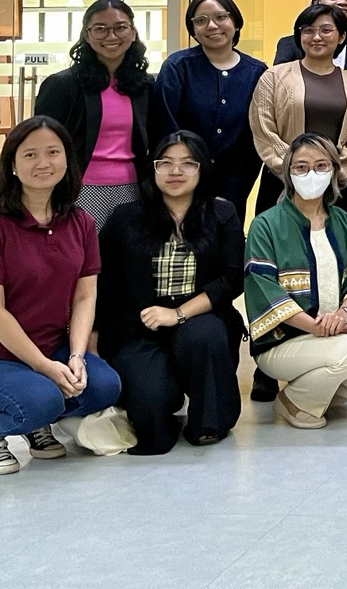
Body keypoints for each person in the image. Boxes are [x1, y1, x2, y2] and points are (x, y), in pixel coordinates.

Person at [0, 118, 122, 474]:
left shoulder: (81, 223)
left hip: (50, 347)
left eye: (53, 152)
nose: (43, 163)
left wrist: (76, 355)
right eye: (30, 154)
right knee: (43, 398)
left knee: (104, 386)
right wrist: (44, 367)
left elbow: (85, 297)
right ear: (12, 165)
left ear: (67, 160)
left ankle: (35, 418)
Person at [96, 132, 244, 453]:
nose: (175, 171)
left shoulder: (222, 214)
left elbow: (231, 280)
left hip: (199, 317)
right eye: (165, 163)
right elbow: (102, 282)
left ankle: (208, 422)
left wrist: (178, 314)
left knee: (204, 336)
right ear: (153, 168)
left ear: (202, 169)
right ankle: (163, 401)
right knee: (151, 421)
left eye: (187, 164)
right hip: (138, 327)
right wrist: (93, 342)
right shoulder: (125, 218)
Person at [244, 134, 347, 428]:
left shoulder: (343, 222)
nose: (311, 174)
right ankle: (301, 405)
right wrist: (315, 327)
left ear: (334, 171)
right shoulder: (266, 224)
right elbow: (263, 288)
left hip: (335, 335)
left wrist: (342, 314)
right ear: (288, 173)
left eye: (321, 165)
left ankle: (296, 398)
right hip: (281, 343)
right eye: (301, 167)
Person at [34, 0, 155, 229]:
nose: (111, 36)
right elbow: (41, 142)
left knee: (125, 252)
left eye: (120, 28)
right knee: (82, 250)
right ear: (87, 35)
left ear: (132, 33)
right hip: (80, 190)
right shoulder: (62, 85)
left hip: (132, 190)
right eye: (100, 29)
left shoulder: (144, 85)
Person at [250, 4, 347, 216]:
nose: (317, 37)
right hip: (281, 183)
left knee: (332, 238)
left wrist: (332, 174)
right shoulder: (274, 77)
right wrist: (296, 171)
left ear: (342, 36)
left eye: (326, 30)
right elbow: (263, 130)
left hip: (337, 188)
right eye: (308, 30)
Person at [153, 0, 267, 214]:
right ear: (193, 29)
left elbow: (254, 139)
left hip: (232, 191)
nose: (212, 26)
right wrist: (183, 177)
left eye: (221, 17)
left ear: (235, 21)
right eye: (201, 21)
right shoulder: (178, 67)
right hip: (179, 185)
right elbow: (164, 127)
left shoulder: (257, 72)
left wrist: (232, 192)